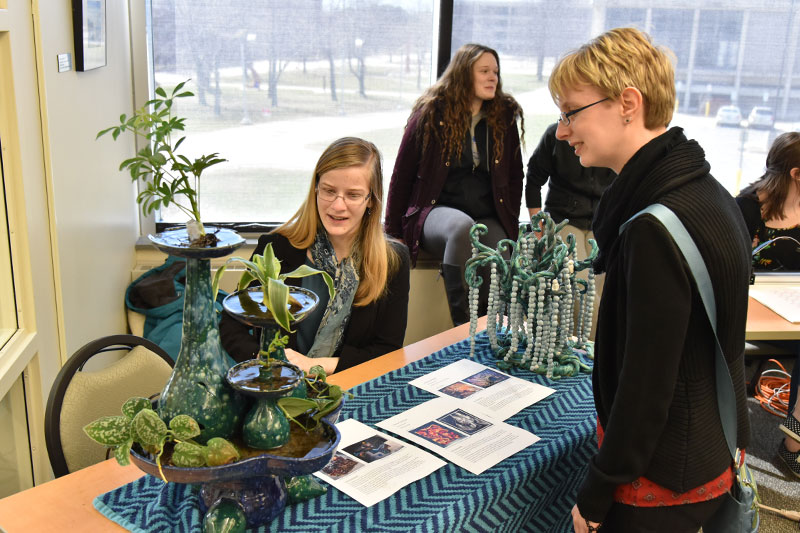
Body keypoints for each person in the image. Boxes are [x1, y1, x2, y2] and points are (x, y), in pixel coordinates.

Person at [549, 28, 751, 532]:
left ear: (627, 104)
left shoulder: (653, 228)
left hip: (664, 478)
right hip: (714, 448)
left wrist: (596, 494)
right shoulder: (708, 190)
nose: (561, 131)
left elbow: (645, 387)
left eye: (571, 112)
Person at [220, 137, 410, 375]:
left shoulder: (393, 261)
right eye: (329, 191)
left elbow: (387, 351)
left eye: (352, 195)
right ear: (316, 189)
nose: (338, 206)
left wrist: (311, 366)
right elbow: (231, 324)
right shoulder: (276, 247)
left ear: (370, 199)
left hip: (347, 387)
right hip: (275, 382)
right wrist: (265, 361)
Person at [384, 43, 524, 326]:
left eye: (495, 71)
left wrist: (509, 215)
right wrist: (393, 232)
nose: (492, 77)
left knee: (503, 250)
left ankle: (496, 333)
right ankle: (465, 328)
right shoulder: (432, 113)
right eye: (484, 71)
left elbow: (515, 176)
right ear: (463, 74)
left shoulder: (504, 116)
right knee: (463, 229)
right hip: (436, 211)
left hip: (487, 213)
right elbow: (402, 174)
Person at [735, 131, 800, 478]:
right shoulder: (746, 207)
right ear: (795, 174)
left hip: (792, 315)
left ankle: (793, 445)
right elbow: (728, 270)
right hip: (748, 315)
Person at [525, 122, 616, 338]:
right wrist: (539, 227)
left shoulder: (615, 139)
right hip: (563, 220)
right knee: (582, 287)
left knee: (608, 286)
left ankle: (596, 350)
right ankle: (591, 353)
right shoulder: (555, 135)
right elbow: (533, 179)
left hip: (603, 223)